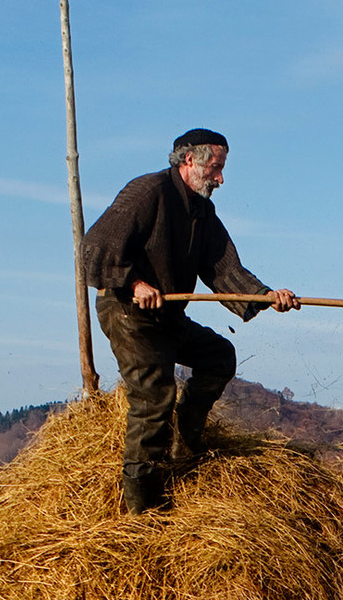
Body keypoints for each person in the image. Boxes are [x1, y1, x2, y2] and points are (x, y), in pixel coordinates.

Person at [79, 128, 298, 513]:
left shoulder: (201, 211)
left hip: (167, 316)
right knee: (153, 398)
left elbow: (222, 267)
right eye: (216, 168)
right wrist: (134, 282)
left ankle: (186, 445)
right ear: (189, 161)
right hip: (128, 313)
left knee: (218, 356)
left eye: (222, 169)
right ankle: (141, 508)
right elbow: (94, 247)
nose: (221, 179)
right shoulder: (147, 193)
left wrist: (264, 296)